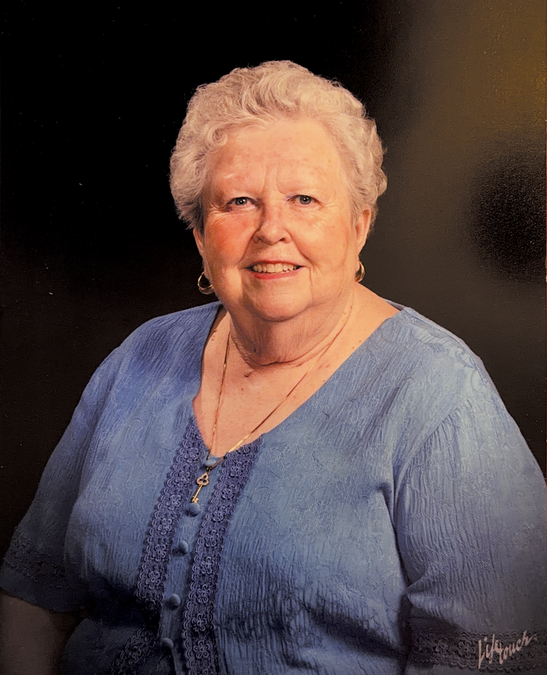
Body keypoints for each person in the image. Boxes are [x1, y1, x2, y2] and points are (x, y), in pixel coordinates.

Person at [0, 60, 545, 675]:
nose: (271, 230)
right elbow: (32, 595)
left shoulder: (440, 394)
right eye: (239, 202)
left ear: (359, 225)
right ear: (201, 235)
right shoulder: (139, 359)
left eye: (304, 199)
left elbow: (494, 660)